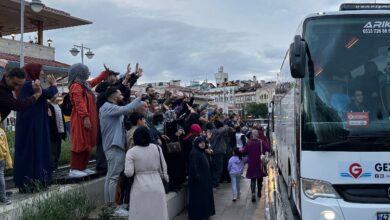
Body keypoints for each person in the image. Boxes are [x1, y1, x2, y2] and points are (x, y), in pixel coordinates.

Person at [14, 63, 58, 193]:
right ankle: (33, 180)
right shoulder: (28, 85)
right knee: (33, 150)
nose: (42, 73)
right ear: (33, 71)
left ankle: (34, 180)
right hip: (32, 124)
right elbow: (46, 94)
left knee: (34, 150)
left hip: (33, 122)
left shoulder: (27, 84)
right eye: (41, 70)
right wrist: (54, 85)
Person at [99, 87, 143, 205]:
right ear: (113, 95)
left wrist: (138, 101)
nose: (121, 94)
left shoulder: (111, 107)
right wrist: (138, 97)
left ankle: (109, 204)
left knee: (110, 176)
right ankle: (113, 206)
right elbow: (127, 108)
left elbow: (128, 110)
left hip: (114, 146)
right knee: (114, 177)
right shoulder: (108, 107)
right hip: (114, 146)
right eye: (119, 93)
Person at [68, 63, 109, 178]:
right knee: (80, 142)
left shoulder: (84, 85)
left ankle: (82, 167)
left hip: (88, 117)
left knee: (88, 142)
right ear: (80, 72)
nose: (88, 73)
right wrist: (85, 117)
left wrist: (104, 74)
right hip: (80, 118)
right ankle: (74, 168)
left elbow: (95, 81)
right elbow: (79, 103)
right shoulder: (76, 86)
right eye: (86, 71)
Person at [124, 127, 169, 220]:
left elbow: (129, 173)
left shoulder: (131, 152)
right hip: (157, 186)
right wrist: (166, 180)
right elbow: (163, 168)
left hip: (139, 187)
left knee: (140, 215)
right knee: (158, 214)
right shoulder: (157, 148)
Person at [188, 136, 215, 220]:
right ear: (197, 144)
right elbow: (193, 167)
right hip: (199, 181)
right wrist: (198, 177)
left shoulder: (201, 152)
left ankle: (205, 213)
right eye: (201, 143)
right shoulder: (195, 153)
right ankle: (200, 215)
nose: (203, 144)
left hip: (205, 179)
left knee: (205, 198)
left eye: (203, 142)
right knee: (199, 199)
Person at [241, 129, 270, 202]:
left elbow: (244, 152)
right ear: (257, 135)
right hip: (259, 164)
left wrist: (240, 150)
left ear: (251, 135)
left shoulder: (249, 143)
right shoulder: (261, 142)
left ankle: (253, 194)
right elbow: (268, 149)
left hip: (251, 164)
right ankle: (259, 192)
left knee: (253, 179)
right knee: (260, 179)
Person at [48, 94, 67, 171]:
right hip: (53, 133)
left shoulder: (58, 106)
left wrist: (63, 132)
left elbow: (62, 119)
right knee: (53, 152)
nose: (54, 96)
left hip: (60, 132)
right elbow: (50, 121)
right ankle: (51, 169)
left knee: (57, 152)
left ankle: (55, 168)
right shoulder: (49, 106)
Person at [0, 113, 12, 205]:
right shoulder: (2, 132)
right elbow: (7, 148)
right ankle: (3, 197)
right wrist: (9, 162)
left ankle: (3, 197)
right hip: (2, 158)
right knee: (1, 177)